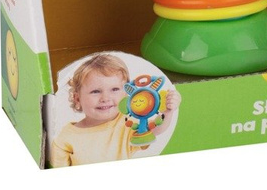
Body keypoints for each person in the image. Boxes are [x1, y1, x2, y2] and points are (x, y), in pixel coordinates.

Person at [50, 53, 181, 167]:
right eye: (95, 91)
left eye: (114, 89)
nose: (105, 98)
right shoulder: (65, 138)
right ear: (77, 99)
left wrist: (168, 111)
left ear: (126, 94)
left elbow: (154, 130)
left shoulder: (126, 123)